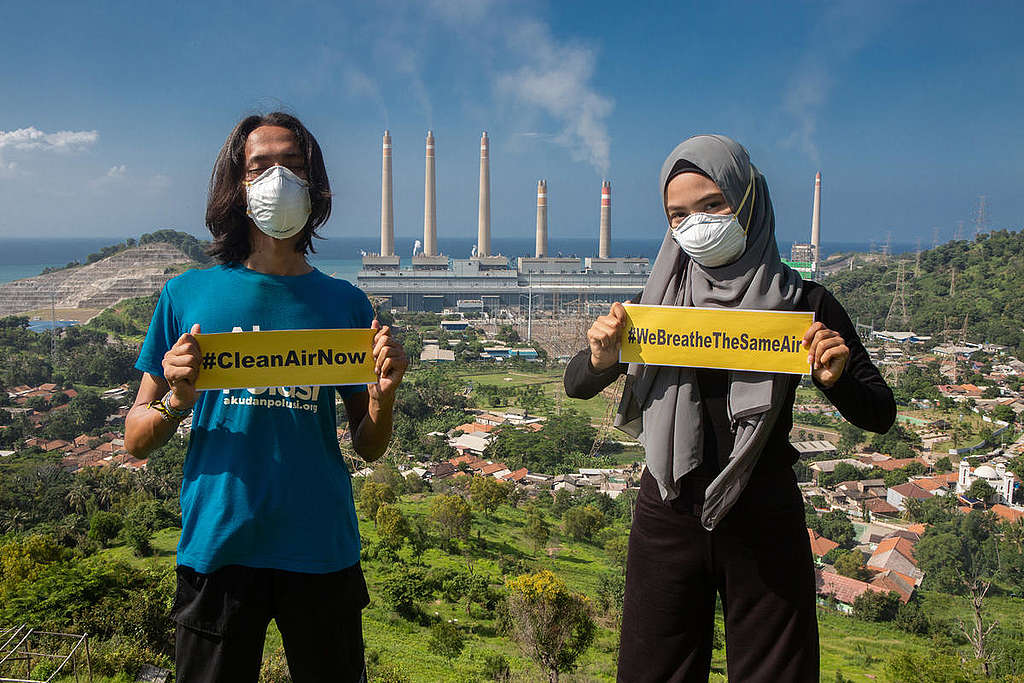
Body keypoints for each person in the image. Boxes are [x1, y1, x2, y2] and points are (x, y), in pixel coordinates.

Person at [564, 134, 895, 682]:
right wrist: (601, 357)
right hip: (667, 509)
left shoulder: (804, 305)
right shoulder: (657, 306)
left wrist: (834, 379)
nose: (695, 223)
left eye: (712, 205)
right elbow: (578, 383)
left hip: (763, 516)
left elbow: (878, 412)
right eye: (678, 214)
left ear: (748, 200)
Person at [125, 112, 408, 683]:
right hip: (219, 543)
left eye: (294, 165)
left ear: (315, 184)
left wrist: (384, 399)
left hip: (321, 544)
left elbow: (369, 447)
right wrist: (174, 401)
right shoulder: (186, 295)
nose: (278, 177)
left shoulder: (345, 305)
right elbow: (136, 439)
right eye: (261, 165)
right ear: (237, 182)